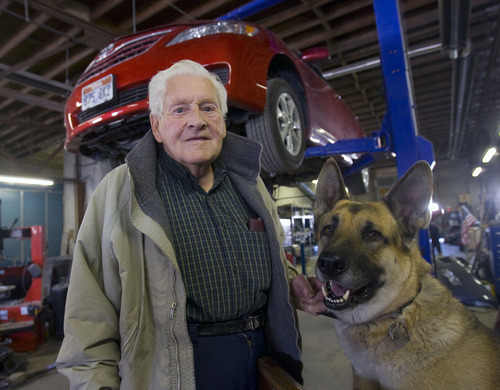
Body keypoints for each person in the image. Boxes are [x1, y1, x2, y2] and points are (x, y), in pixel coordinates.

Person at [56, 59, 325, 390]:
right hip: (179, 369)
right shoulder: (119, 193)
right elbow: (88, 316)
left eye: (208, 108)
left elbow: (266, 259)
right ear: (156, 126)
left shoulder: (250, 186)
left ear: (223, 123)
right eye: (179, 110)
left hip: (262, 358)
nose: (197, 121)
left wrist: (291, 281)